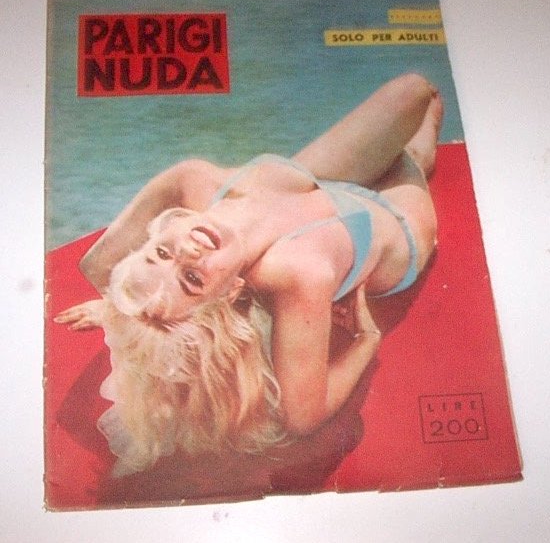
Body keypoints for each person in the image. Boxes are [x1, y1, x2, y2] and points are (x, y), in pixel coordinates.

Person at [55, 73, 442, 475]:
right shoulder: (296, 270)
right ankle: (419, 157)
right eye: (192, 279)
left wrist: (124, 312)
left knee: (414, 91)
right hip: (394, 223)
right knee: (412, 156)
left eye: (161, 254)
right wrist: (366, 340)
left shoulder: (191, 181)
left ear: (155, 234)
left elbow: (97, 265)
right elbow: (302, 417)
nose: (188, 251)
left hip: (313, 183)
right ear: (230, 292)